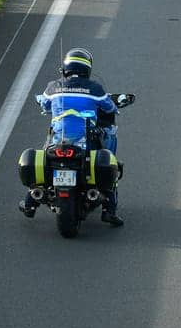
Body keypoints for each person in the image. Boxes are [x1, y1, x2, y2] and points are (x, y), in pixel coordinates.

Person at [20, 48, 124, 225]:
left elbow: (44, 104)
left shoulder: (53, 87)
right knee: (109, 159)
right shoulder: (95, 89)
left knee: (44, 157)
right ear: (87, 69)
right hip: (86, 141)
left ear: (66, 68)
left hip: (58, 140)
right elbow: (109, 108)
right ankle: (109, 210)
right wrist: (114, 107)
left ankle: (30, 203)